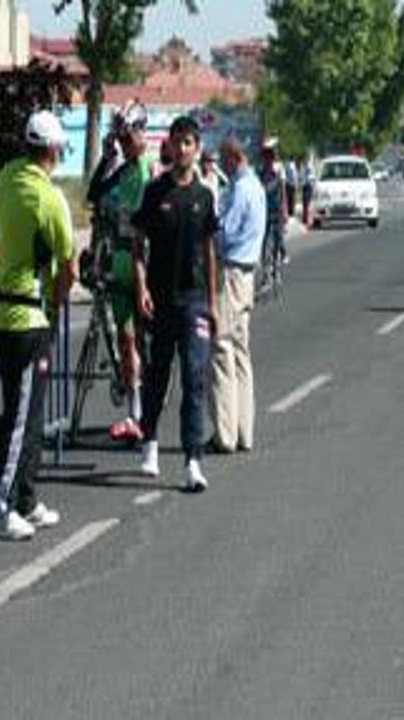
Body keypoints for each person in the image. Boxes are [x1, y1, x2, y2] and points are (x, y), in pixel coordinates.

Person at [0, 110, 76, 540]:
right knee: (18, 420)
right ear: (54, 150)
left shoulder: (5, 179)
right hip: (28, 317)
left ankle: (27, 498)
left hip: (3, 316)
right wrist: (57, 305)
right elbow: (68, 264)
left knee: (33, 413)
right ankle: (0, 508)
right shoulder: (50, 198)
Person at [133, 115, 219, 492]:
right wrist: (141, 288)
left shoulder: (204, 196)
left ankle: (192, 461)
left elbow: (210, 250)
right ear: (168, 145)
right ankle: (149, 442)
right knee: (158, 374)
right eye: (178, 142)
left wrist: (213, 302)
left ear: (197, 148)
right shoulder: (155, 192)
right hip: (161, 299)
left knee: (195, 378)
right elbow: (137, 243)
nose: (183, 149)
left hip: (195, 300)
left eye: (189, 142)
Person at [87, 111, 153, 444]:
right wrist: (108, 154)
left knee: (141, 339)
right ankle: (135, 410)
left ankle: (146, 408)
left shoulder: (149, 170)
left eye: (131, 139)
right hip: (120, 260)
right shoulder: (124, 170)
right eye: (124, 141)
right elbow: (94, 192)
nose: (128, 146)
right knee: (125, 340)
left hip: (144, 262)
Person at [209, 136, 266, 455]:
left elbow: (224, 233)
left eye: (223, 160)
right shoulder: (255, 187)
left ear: (233, 158)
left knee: (222, 348)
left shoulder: (240, 190)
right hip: (246, 273)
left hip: (230, 271)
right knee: (242, 352)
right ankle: (245, 431)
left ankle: (225, 433)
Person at [259, 138, 288, 266]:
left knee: (278, 237)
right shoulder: (260, 172)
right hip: (264, 209)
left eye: (270, 155)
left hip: (277, 208)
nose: (268, 158)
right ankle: (266, 266)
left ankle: (279, 256)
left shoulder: (279, 170)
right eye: (266, 155)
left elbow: (283, 190)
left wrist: (284, 208)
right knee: (264, 238)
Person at [300, 156, 315, 227]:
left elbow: (310, 174)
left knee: (308, 202)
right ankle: (305, 218)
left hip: (309, 185)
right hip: (305, 185)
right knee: (305, 202)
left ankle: (308, 219)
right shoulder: (303, 166)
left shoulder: (309, 166)